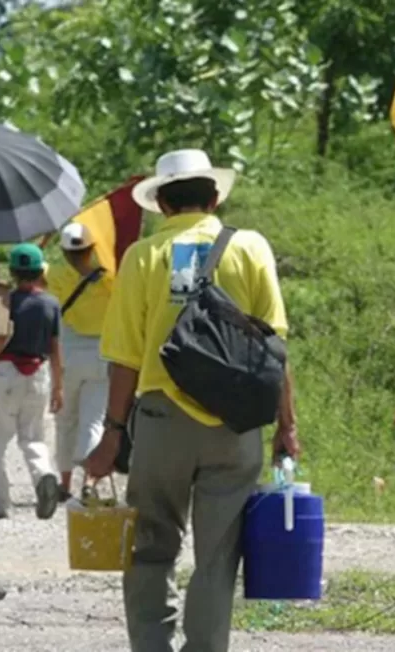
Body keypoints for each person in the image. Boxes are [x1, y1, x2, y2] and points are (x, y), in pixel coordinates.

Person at [85, 149, 300, 652]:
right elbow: (276, 347)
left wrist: (111, 435)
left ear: (160, 203)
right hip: (236, 424)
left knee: (151, 546)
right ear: (215, 197)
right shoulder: (250, 248)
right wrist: (287, 427)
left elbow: (124, 359)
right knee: (218, 554)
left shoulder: (142, 257)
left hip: (162, 422)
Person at [0, 243, 64, 520]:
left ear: (13, 272)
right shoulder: (51, 303)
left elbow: (0, 337)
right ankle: (45, 475)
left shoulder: (3, 301)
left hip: (7, 372)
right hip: (38, 373)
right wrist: (58, 386)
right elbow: (55, 348)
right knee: (33, 437)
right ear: (40, 271)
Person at [46, 222, 114, 500]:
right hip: (102, 353)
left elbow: (29, 270)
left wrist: (41, 242)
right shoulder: (110, 277)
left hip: (69, 352)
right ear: (92, 248)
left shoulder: (56, 274)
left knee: (66, 421)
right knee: (93, 420)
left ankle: (64, 483)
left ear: (63, 251)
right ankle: (90, 481)